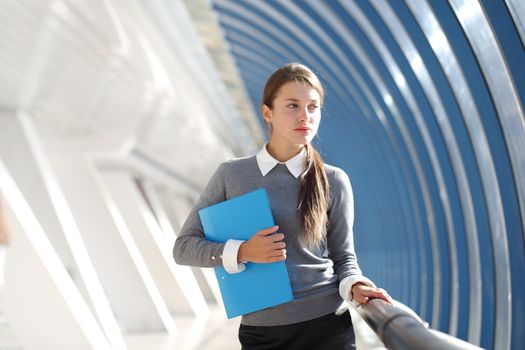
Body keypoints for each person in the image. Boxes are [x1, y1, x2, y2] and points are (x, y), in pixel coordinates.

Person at [173, 63, 392, 349]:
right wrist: (242, 251)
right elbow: (184, 248)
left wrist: (357, 285)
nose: (305, 116)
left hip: (327, 326)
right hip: (262, 334)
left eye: (313, 107)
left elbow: (344, 258)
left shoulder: (334, 180)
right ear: (268, 113)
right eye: (292, 106)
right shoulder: (232, 175)